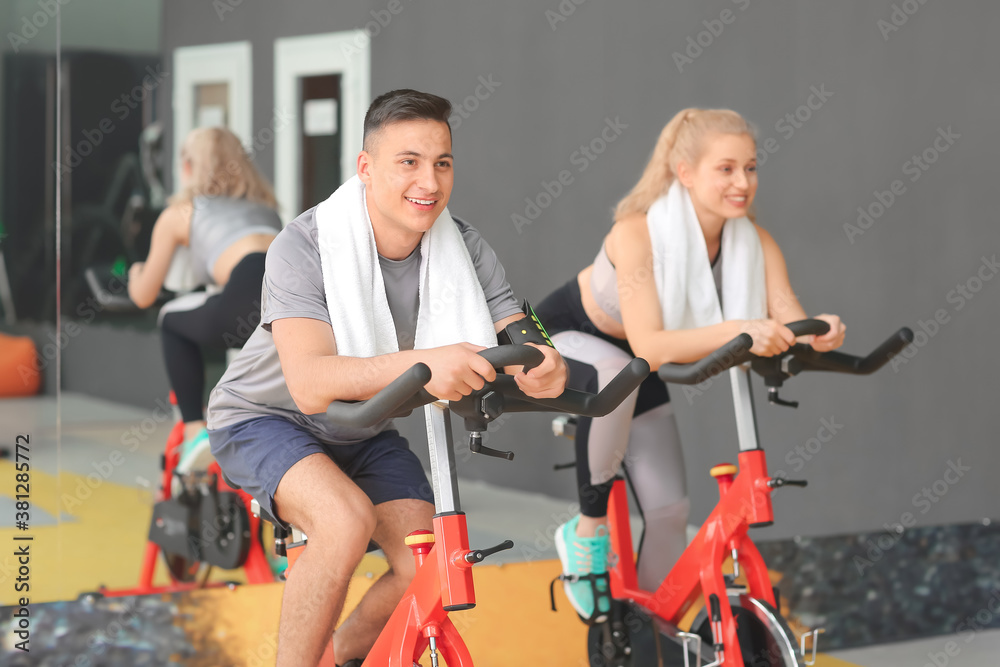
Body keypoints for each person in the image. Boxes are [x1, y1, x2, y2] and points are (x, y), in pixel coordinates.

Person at [206, 89, 567, 667]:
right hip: (265, 417)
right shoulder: (302, 245)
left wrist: (545, 357)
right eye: (409, 161)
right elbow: (310, 383)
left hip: (364, 426)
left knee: (429, 561)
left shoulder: (465, 246)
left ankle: (348, 655)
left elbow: (521, 326)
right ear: (366, 168)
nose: (429, 180)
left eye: (442, 162)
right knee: (344, 520)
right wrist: (427, 361)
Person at [535, 108, 847, 622]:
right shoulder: (637, 232)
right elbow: (651, 347)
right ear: (685, 172)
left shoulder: (754, 242)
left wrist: (820, 333)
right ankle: (587, 530)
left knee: (670, 511)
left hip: (635, 360)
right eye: (725, 169)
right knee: (617, 371)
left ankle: (654, 627)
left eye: (750, 167)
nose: (742, 182)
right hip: (569, 334)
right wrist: (740, 331)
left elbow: (791, 322)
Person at [127, 126, 281, 450]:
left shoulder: (181, 213)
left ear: (187, 167)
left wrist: (135, 272)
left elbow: (144, 295)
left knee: (171, 319)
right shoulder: (267, 209)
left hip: (241, 296)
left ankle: (194, 429)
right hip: (285, 306)